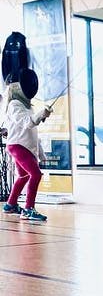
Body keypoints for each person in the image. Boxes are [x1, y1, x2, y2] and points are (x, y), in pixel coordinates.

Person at [1, 68, 51, 221]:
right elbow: (26, 123)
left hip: (24, 146)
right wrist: (40, 115)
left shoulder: (28, 107)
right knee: (35, 174)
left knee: (23, 176)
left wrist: (40, 154)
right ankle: (28, 209)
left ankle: (11, 204)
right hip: (18, 146)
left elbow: (33, 132)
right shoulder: (14, 105)